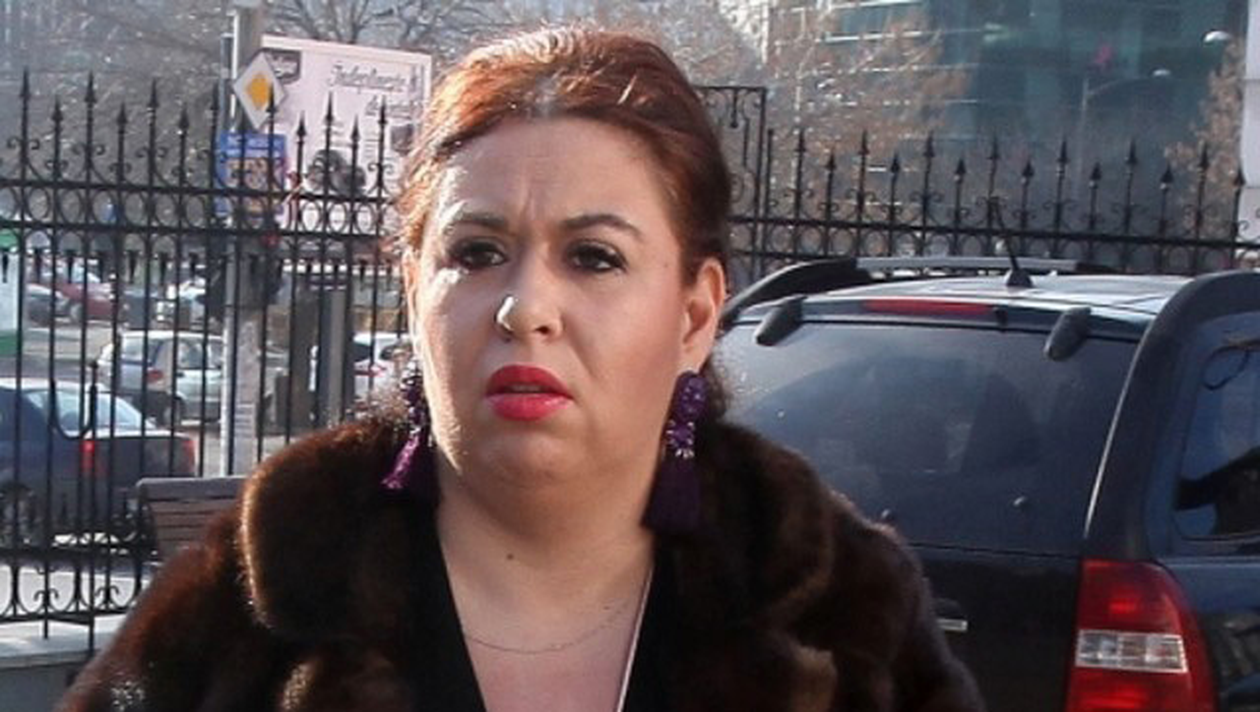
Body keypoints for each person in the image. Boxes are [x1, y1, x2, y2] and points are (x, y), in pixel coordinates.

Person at [58, 27, 983, 712]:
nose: (525, 306)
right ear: (413, 288)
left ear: (696, 314)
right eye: (477, 252)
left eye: (594, 257)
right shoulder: (255, 603)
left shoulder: (835, 606)